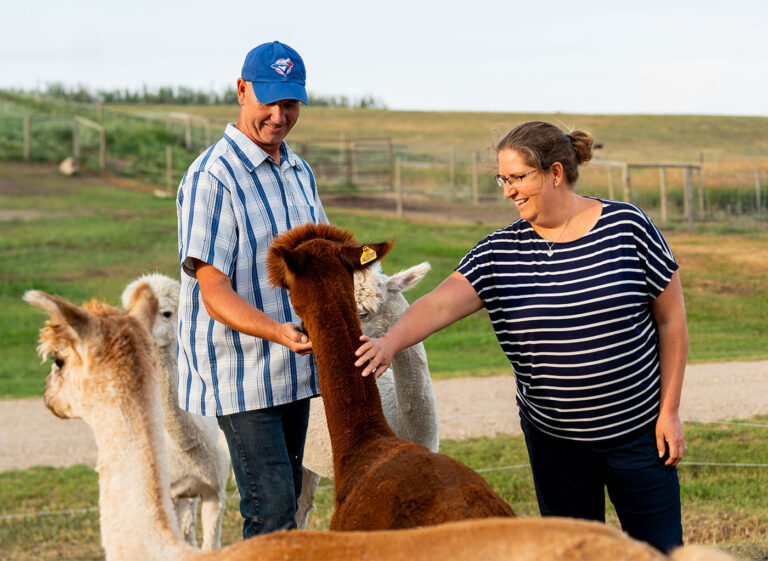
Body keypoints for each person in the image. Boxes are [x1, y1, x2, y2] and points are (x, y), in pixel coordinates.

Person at [354, 121, 688, 553]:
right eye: (502, 179)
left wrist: (671, 412)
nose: (508, 190)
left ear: (554, 172)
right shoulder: (499, 252)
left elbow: (672, 321)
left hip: (640, 435)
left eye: (517, 178)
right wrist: (388, 342)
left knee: (661, 553)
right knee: (575, 553)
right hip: (557, 447)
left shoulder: (628, 227)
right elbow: (437, 304)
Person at [176, 41, 327, 538]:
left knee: (292, 503)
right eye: (269, 102)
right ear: (241, 90)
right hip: (240, 373)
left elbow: (323, 260)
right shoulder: (211, 178)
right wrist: (277, 331)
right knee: (270, 510)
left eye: (290, 104)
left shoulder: (298, 171)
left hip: (295, 365)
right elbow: (212, 291)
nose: (279, 117)